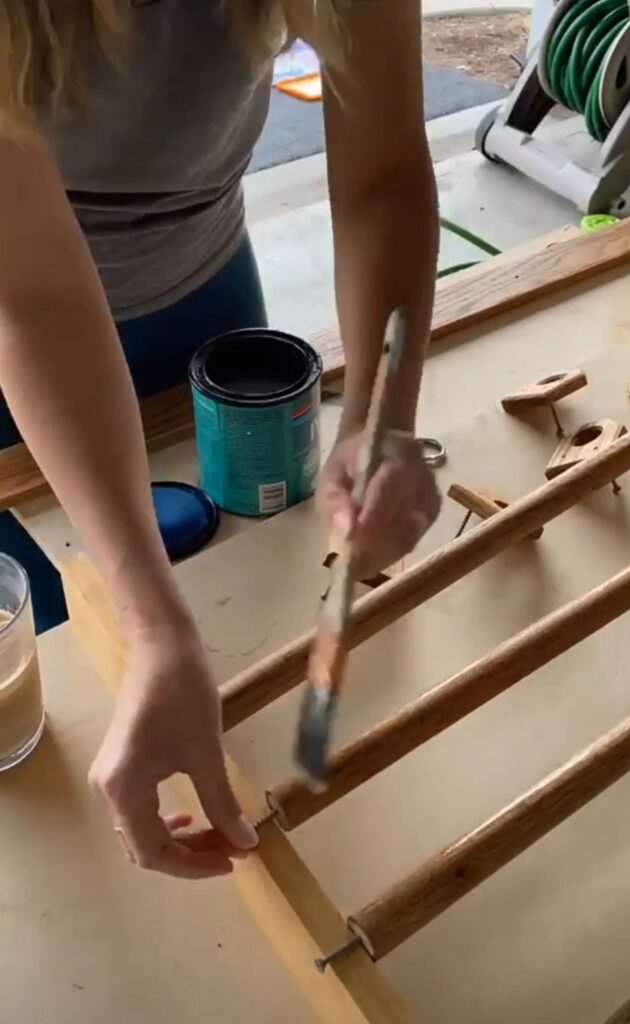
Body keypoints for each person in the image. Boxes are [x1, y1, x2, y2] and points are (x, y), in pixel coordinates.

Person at [0, 0, 440, 879]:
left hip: (202, 290)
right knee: (43, 677)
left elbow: (383, 169)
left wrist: (380, 420)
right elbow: (34, 292)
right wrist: (152, 621)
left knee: (250, 590)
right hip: (15, 322)